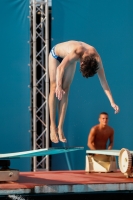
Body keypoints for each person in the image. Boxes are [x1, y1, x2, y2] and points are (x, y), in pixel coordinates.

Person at [49, 40, 119, 143]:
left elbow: (104, 83)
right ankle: (52, 125)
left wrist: (112, 102)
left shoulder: (97, 59)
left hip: (70, 59)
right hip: (56, 56)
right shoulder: (77, 52)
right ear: (82, 63)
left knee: (66, 89)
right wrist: (59, 85)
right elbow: (60, 68)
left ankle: (60, 127)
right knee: (54, 87)